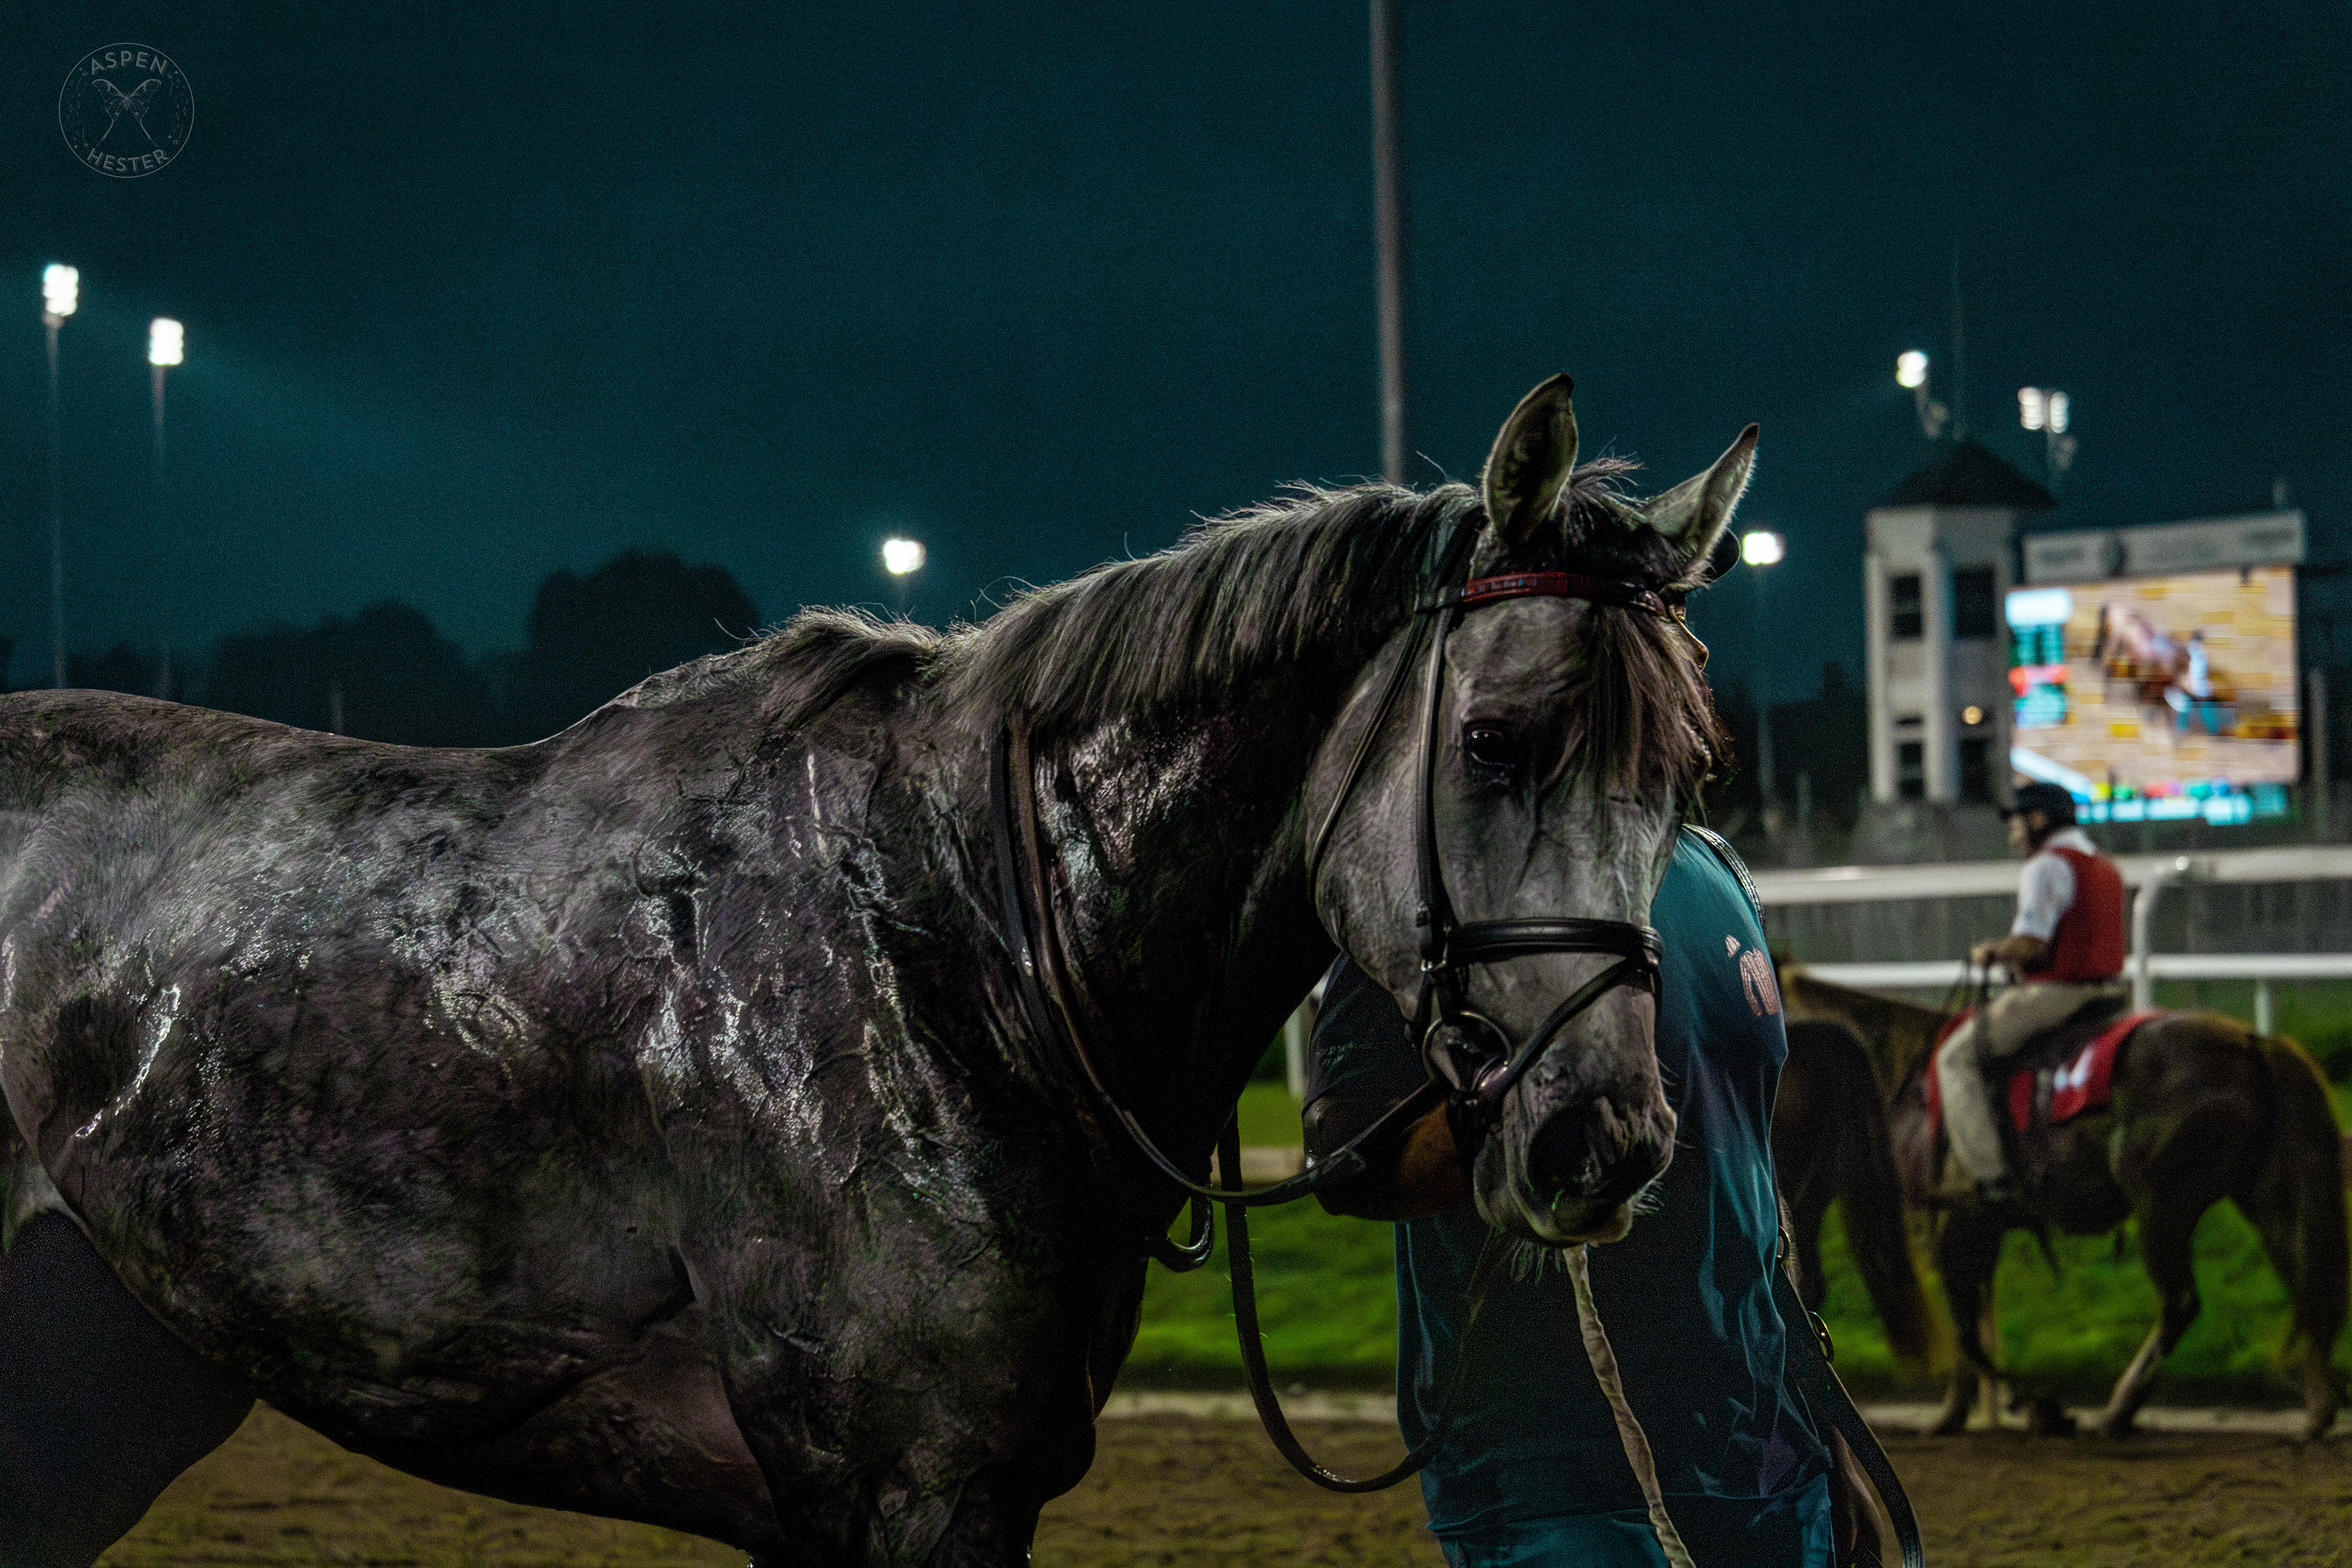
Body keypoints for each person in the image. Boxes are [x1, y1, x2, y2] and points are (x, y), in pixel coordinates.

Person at [1304, 827, 1833, 1567]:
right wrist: (1516, 1110)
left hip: (1770, 1467)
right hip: (1558, 1488)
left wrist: (1827, 1436)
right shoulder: (1431, 878)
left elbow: (1746, 1186)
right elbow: (1346, 1157)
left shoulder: (1717, 864)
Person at [1935, 780, 2127, 1200]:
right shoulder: (2103, 863)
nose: (2013, 834)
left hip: (2060, 995)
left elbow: (2032, 943)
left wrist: (1991, 952)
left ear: (2039, 820)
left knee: (1955, 1058)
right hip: (2111, 994)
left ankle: (1990, 1180)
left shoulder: (2045, 866)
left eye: (2017, 824)